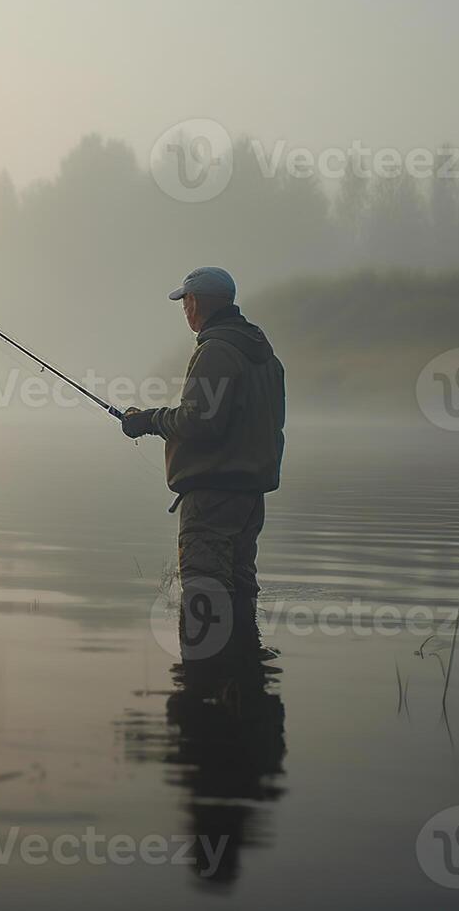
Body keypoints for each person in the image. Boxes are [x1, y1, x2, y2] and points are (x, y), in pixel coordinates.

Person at [121, 267, 285, 659]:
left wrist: (148, 420)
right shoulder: (265, 356)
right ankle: (244, 680)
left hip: (212, 497)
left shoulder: (216, 351)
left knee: (204, 594)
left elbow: (199, 421)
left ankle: (203, 692)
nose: (184, 311)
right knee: (240, 587)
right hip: (249, 495)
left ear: (196, 303)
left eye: (185, 302)